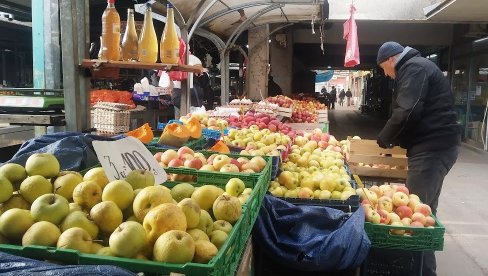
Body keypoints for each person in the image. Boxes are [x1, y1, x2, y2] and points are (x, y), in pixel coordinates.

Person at [376, 41, 460, 276]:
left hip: (433, 148)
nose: (387, 74)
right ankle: (423, 270)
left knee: (416, 218)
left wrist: (385, 137)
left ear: (391, 59)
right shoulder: (417, 66)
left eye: (384, 68)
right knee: (424, 212)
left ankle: (414, 270)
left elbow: (408, 110)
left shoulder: (413, 68)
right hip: (436, 145)